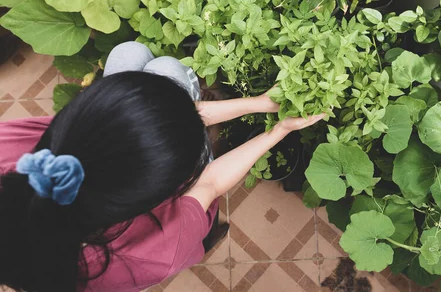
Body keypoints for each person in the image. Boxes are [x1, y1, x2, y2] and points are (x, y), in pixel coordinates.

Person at [0, 42, 324, 292]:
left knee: (129, 55)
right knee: (166, 69)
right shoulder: (154, 250)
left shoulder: (25, 155)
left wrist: (260, 104)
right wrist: (278, 130)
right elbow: (208, 184)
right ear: (165, 187)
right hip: (168, 225)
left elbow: (151, 127)